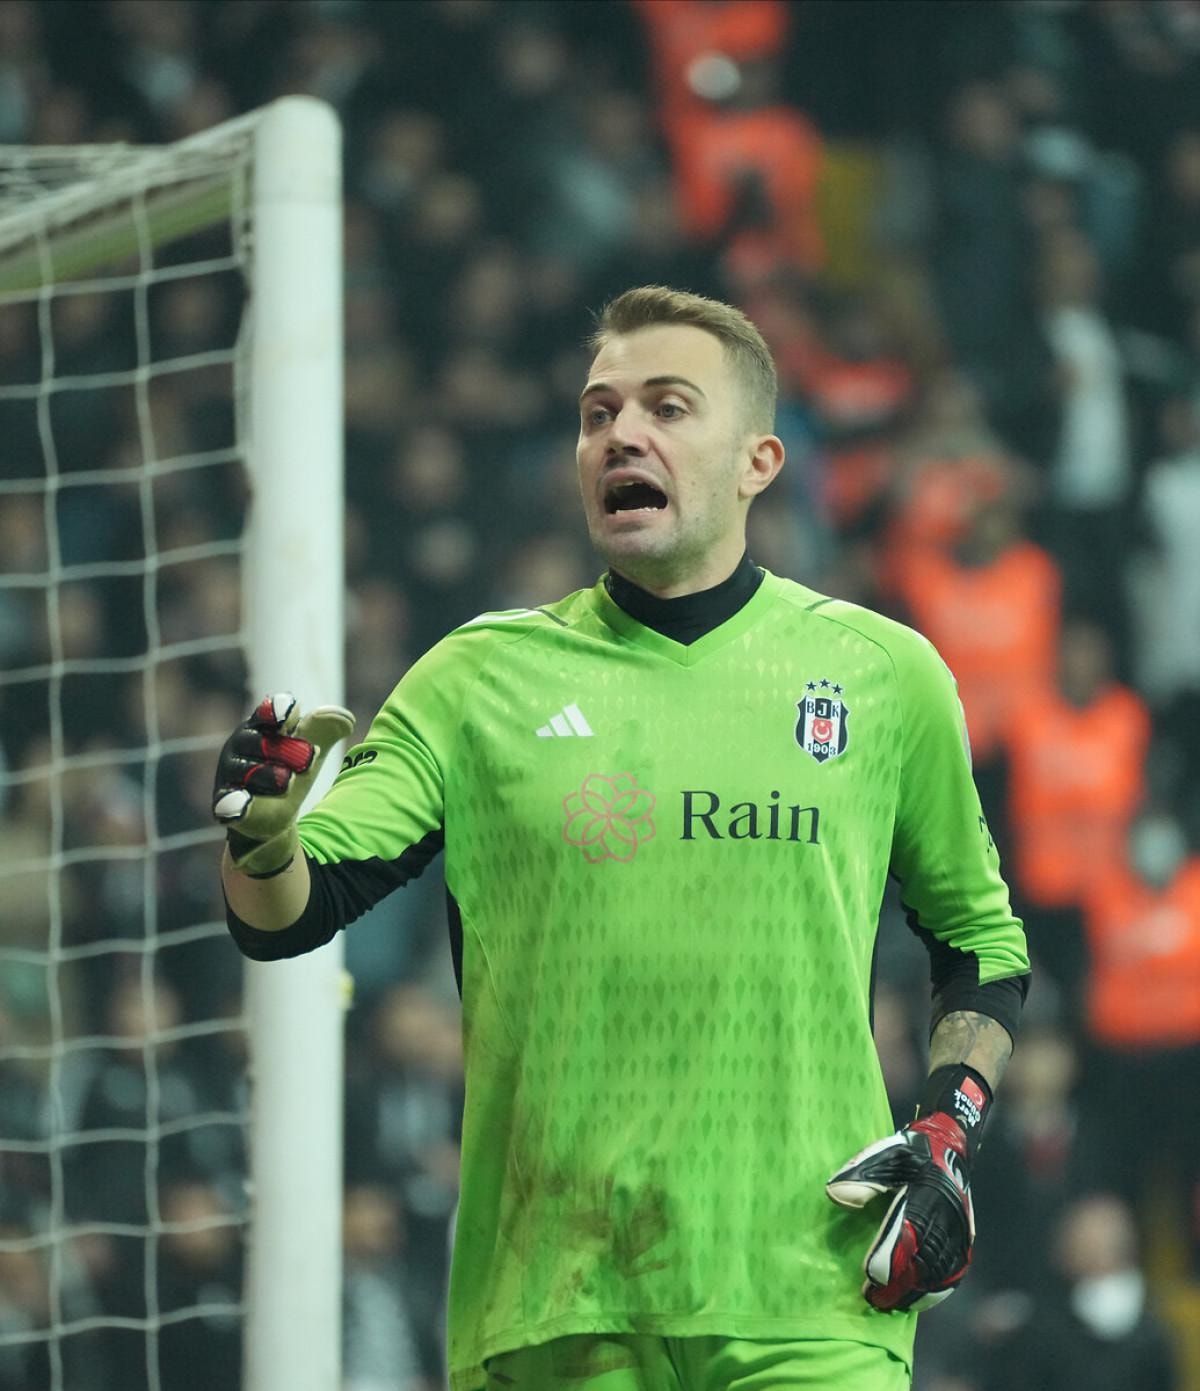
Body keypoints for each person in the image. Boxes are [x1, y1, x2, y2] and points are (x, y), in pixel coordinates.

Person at [214, 286, 1031, 1391]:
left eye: (667, 407)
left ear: (758, 461)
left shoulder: (884, 675)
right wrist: (263, 840)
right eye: (598, 413)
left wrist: (948, 1130)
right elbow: (292, 908)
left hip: (812, 1294)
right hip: (558, 1298)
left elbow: (982, 941)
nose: (621, 434)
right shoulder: (478, 679)